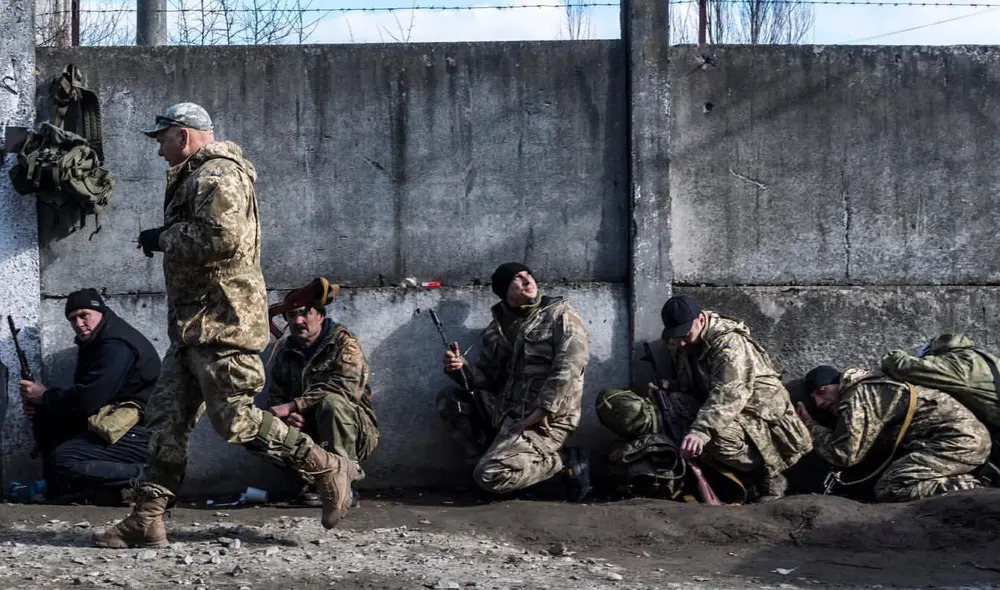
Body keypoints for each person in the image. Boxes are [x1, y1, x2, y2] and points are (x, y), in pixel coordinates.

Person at [93, 102, 359, 550]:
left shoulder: (217, 175)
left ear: (183, 134)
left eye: (162, 140)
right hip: (194, 325)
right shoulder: (197, 175)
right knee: (166, 421)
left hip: (222, 321)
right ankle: (146, 517)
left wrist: (164, 238)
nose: (159, 150)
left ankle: (326, 466)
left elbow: (224, 238)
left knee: (234, 418)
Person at [597, 295, 812, 502]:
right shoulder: (686, 342)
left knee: (715, 439)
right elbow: (694, 385)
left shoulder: (729, 344)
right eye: (675, 336)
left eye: (684, 334)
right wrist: (669, 389)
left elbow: (729, 393)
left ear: (701, 320)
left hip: (758, 415)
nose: (680, 343)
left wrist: (700, 431)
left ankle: (768, 474)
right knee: (673, 407)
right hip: (723, 408)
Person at [437, 262, 591, 500]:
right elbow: (487, 380)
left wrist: (542, 411)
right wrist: (460, 369)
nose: (528, 281)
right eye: (517, 279)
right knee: (450, 400)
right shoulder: (495, 330)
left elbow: (569, 368)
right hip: (508, 412)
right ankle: (489, 463)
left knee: (490, 475)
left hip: (547, 419)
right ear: (504, 291)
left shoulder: (560, 315)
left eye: (529, 275)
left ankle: (564, 463)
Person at [20, 289, 159, 504]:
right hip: (115, 425)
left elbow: (88, 400)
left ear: (100, 312)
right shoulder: (98, 340)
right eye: (72, 318)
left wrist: (45, 396)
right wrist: (42, 404)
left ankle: (151, 477)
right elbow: (85, 400)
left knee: (63, 462)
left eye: (84, 315)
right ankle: (75, 491)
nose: (79, 323)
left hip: (141, 434)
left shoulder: (115, 345)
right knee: (49, 417)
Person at [797, 364, 991, 502]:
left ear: (834, 384)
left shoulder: (858, 395)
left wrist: (810, 426)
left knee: (891, 488)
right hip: (963, 440)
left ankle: (980, 489)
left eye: (820, 393)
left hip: (956, 443)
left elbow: (845, 455)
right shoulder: (874, 382)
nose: (819, 404)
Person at [268, 289, 379, 508]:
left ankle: (344, 484)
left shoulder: (344, 344)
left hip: (352, 428)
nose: (297, 320)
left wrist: (294, 405)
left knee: (332, 405)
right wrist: (288, 418)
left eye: (304, 313)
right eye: (291, 316)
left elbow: (345, 389)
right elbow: (275, 400)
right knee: (259, 426)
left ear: (320, 316)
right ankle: (315, 482)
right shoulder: (285, 353)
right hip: (309, 429)